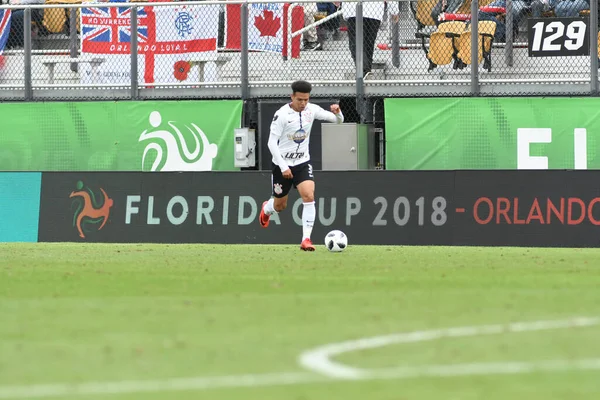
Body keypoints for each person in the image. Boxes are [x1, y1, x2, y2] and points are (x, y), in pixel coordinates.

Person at [259, 80, 344, 251]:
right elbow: (271, 143)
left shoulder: (311, 110)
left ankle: (306, 239)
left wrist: (339, 113)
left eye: (306, 99)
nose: (303, 103)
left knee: (308, 195)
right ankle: (267, 209)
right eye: (300, 100)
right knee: (280, 206)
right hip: (281, 165)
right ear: (292, 97)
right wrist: (283, 167)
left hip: (302, 163)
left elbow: (337, 121)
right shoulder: (281, 115)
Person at [342, 1, 398, 78]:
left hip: (354, 11)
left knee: (355, 43)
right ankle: (366, 71)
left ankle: (365, 70)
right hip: (374, 12)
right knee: (368, 44)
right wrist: (394, 10)